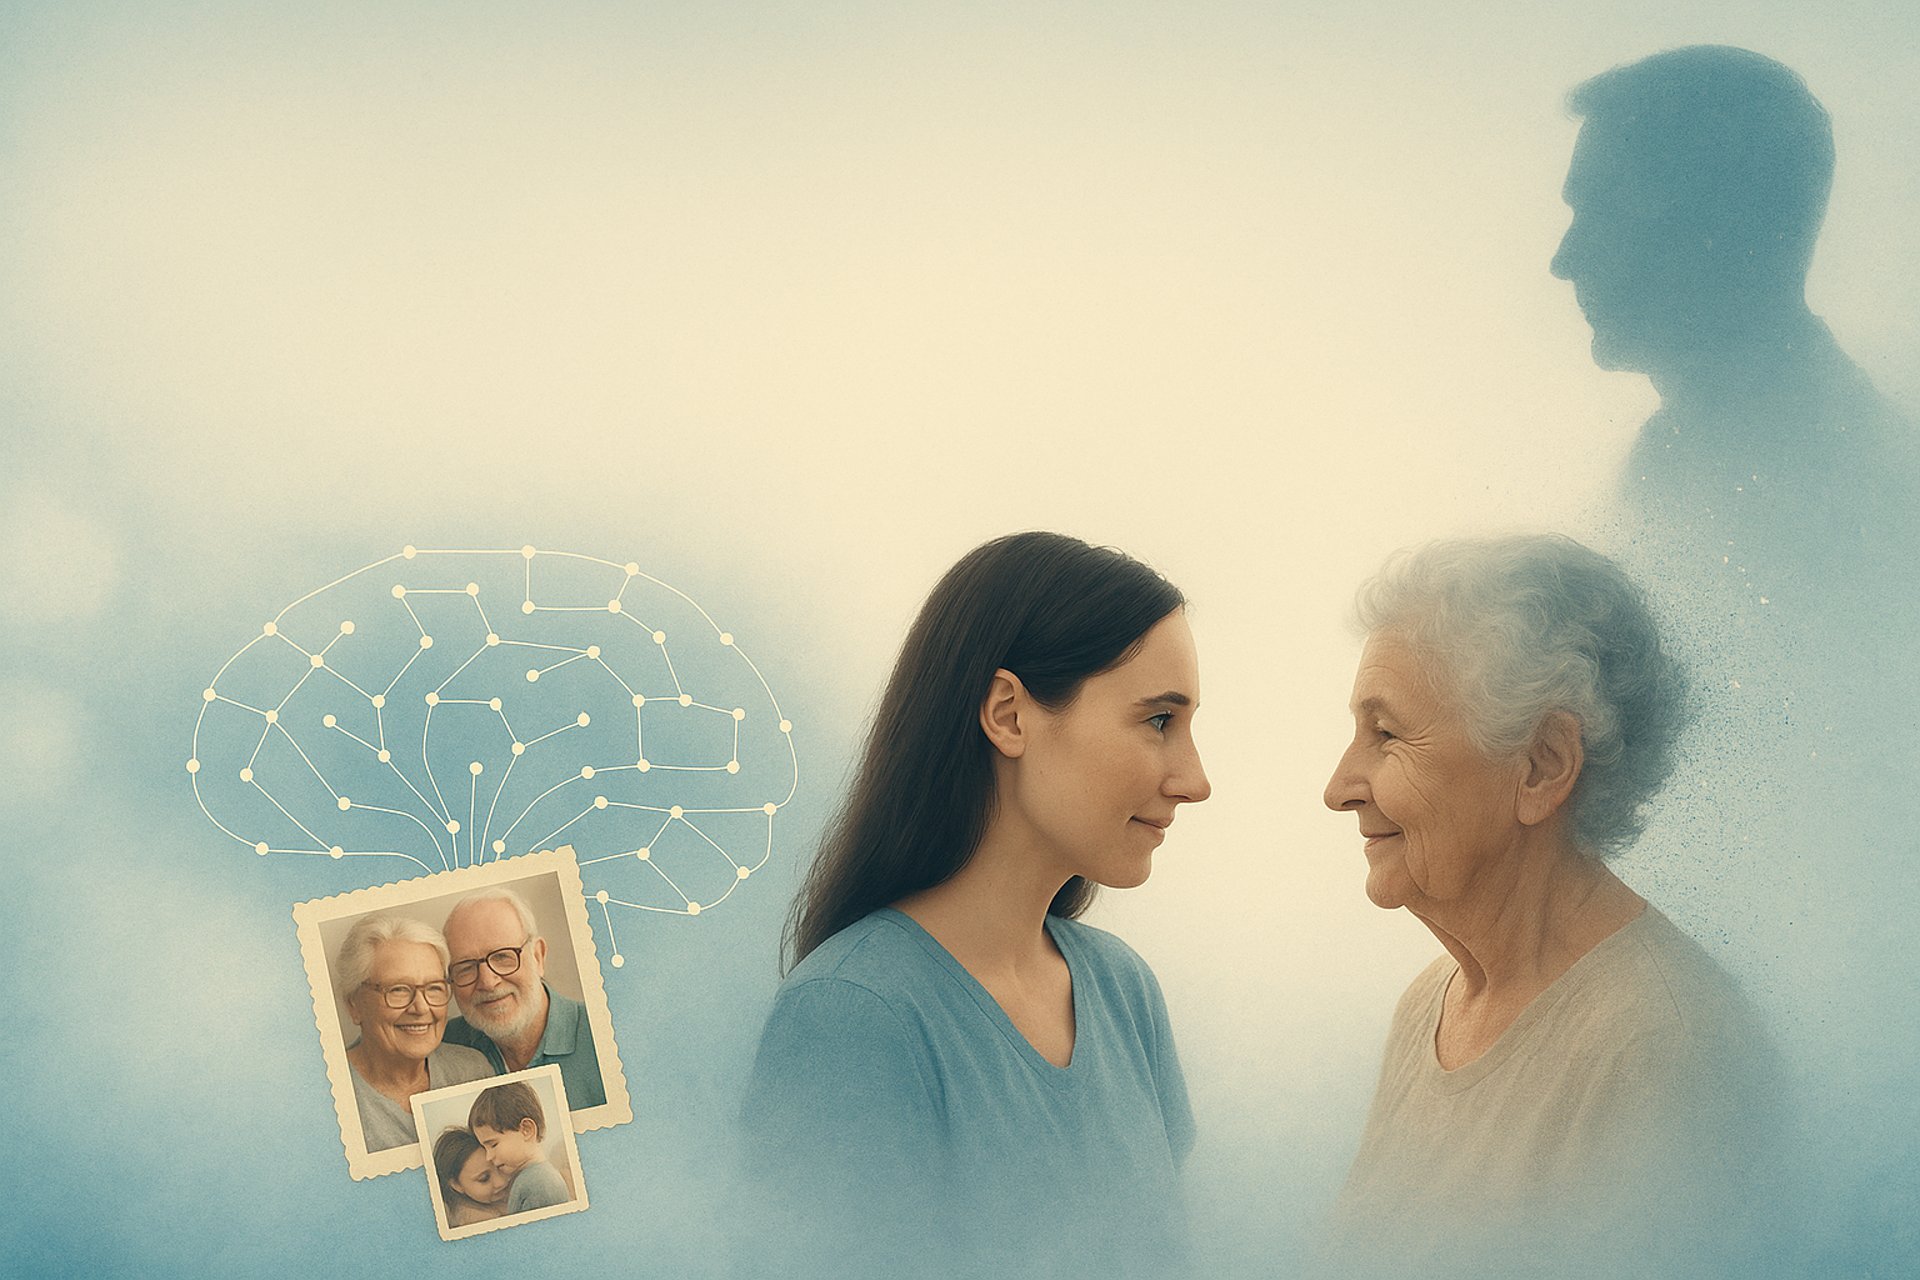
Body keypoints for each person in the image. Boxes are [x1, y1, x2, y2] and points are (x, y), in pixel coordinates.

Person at [738, 531, 1210, 1279]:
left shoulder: (1125, 992)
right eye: (1159, 721)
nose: (1195, 779)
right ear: (1009, 715)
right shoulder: (851, 1016)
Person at [1319, 534, 1784, 1276]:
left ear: (1543, 765)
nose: (1339, 787)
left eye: (1388, 734)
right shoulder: (1427, 1007)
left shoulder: (1669, 1052)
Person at [1550, 45, 1918, 599]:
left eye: (1603, 213)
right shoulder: (1693, 453)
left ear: (1714, 228)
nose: (1563, 260)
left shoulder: (1846, 498)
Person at [336, 913, 494, 1154]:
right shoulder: (332, 1094)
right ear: (353, 1005)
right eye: (398, 990)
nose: (421, 1008)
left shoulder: (473, 1071)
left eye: (434, 988)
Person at [440, 887, 607, 1109]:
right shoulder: (441, 1046)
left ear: (538, 957)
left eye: (502, 956)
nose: (487, 982)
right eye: (466, 967)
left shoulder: (605, 1034)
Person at [469, 1080, 573, 1214]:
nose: (488, 1157)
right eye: (485, 1148)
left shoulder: (539, 1183)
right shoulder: (529, 1178)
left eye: (493, 1145)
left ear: (526, 1130)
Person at [432, 1127, 511, 1227]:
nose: (501, 1182)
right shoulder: (478, 1222)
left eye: (501, 1167)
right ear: (456, 1185)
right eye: (484, 1178)